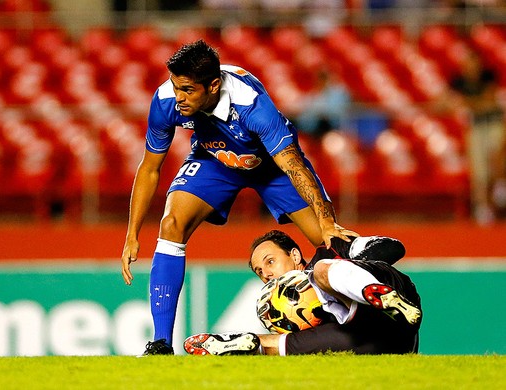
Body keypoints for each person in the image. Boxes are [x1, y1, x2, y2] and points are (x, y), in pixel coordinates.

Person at [120, 40, 359, 355]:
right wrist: (132, 233)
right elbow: (150, 168)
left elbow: (293, 166)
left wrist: (327, 222)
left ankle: (357, 324)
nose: (178, 97)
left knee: (331, 244)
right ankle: (161, 343)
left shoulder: (252, 106)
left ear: (214, 85)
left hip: (270, 167)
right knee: (171, 223)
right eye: (176, 86)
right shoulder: (166, 100)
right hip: (215, 160)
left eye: (188, 90)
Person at [184, 230, 422, 355]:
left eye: (270, 262)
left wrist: (348, 266)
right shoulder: (284, 311)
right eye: (259, 271)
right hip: (376, 343)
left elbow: (393, 247)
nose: (265, 274)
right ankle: (236, 345)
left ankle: (375, 293)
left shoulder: (330, 251)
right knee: (287, 345)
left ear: (295, 256)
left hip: (397, 303)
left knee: (320, 271)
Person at [448, 50, 505, 224]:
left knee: (497, 160)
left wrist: (468, 103)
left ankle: (499, 189)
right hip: (476, 127)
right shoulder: (458, 81)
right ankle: (483, 207)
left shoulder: (488, 76)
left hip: (493, 123)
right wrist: (472, 104)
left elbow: (488, 101)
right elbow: (449, 102)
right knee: (479, 171)